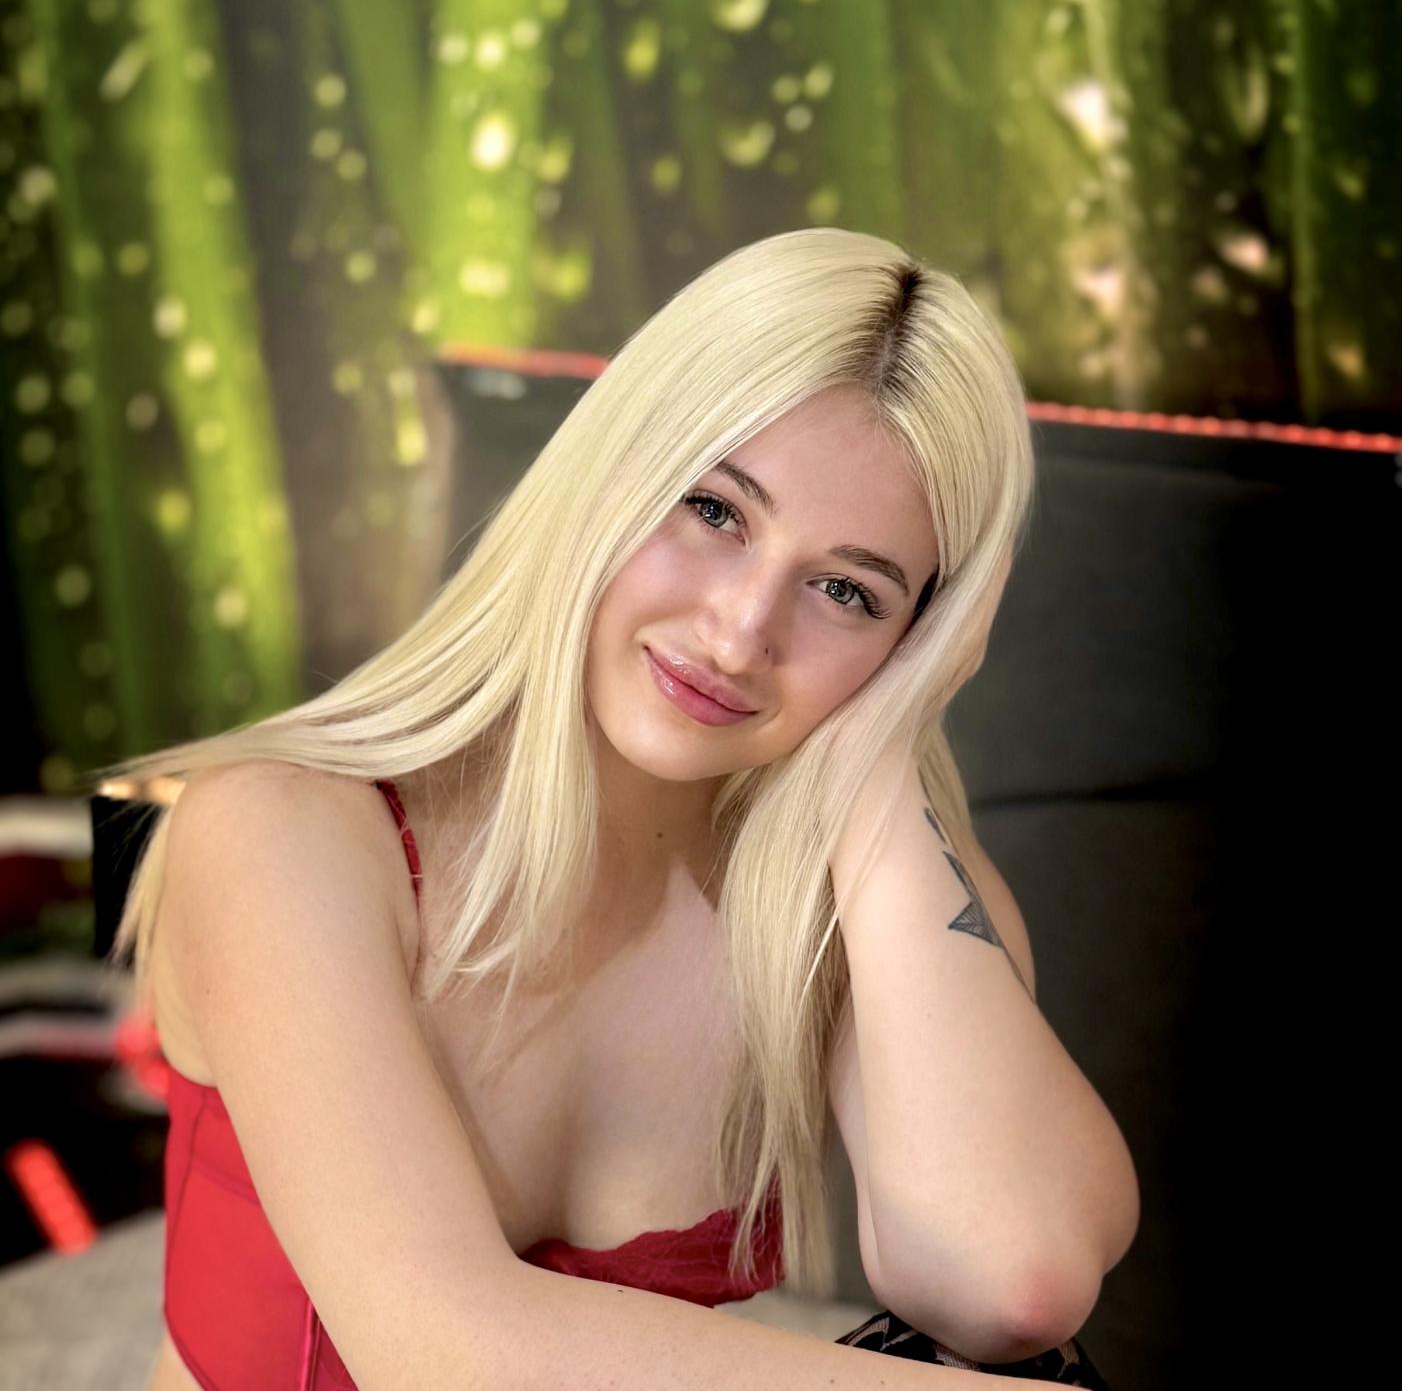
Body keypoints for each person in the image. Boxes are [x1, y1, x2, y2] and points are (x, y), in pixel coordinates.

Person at [92, 227, 1131, 1390]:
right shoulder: (283, 831)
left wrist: (879, 753)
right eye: (714, 510)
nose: (739, 633)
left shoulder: (840, 903)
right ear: (613, 473)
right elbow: (440, 1347)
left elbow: (1011, 1283)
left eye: (847, 590)